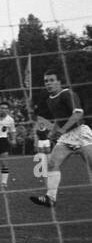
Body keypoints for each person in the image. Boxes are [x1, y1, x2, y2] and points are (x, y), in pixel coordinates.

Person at [30, 70, 92, 208]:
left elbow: (78, 114)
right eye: (46, 81)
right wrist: (53, 132)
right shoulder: (49, 100)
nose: (48, 83)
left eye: (51, 80)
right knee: (52, 163)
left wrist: (62, 130)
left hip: (81, 133)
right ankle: (50, 198)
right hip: (66, 138)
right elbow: (59, 118)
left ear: (59, 82)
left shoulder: (67, 94)